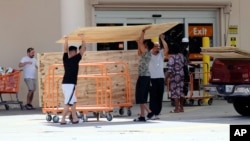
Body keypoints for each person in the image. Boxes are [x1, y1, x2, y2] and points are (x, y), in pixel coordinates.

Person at [60, 35, 86, 125]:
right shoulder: (74, 59)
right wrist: (83, 38)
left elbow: (65, 50)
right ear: (73, 52)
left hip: (67, 84)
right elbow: (83, 49)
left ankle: (75, 118)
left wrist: (66, 40)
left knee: (73, 102)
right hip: (69, 84)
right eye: (76, 52)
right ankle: (62, 119)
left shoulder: (66, 59)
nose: (77, 53)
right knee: (68, 102)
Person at [134, 27, 153, 122]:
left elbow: (141, 43)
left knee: (140, 97)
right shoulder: (144, 53)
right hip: (143, 76)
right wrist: (138, 42)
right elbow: (139, 50)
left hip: (144, 77)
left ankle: (149, 112)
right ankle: (142, 115)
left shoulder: (146, 53)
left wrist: (143, 32)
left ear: (146, 46)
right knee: (142, 97)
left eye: (143, 44)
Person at [148, 34, 169, 120]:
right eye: (156, 46)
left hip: (160, 78)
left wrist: (162, 39)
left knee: (160, 96)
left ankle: (157, 113)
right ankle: (152, 113)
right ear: (153, 47)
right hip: (152, 78)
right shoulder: (149, 54)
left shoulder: (161, 54)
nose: (158, 48)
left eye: (159, 46)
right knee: (153, 97)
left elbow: (166, 49)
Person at [166, 45, 187, 113]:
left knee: (175, 93)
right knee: (181, 92)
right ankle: (181, 108)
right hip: (181, 75)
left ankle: (176, 109)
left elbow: (170, 70)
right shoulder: (181, 56)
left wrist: (166, 78)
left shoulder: (172, 57)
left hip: (175, 76)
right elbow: (185, 64)